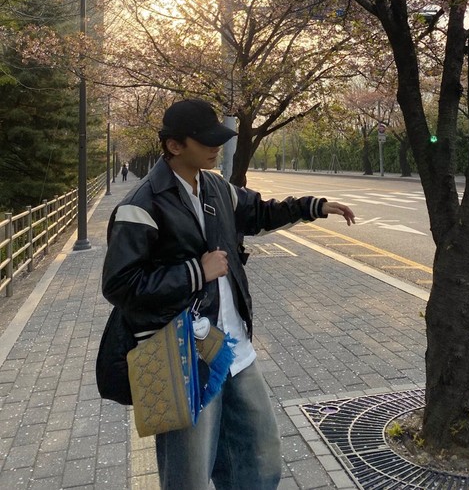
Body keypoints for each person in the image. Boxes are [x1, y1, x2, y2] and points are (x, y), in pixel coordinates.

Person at [102, 98, 355, 490]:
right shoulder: (140, 205)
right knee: (189, 473)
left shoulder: (217, 188)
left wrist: (313, 206)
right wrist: (194, 272)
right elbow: (120, 285)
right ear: (175, 146)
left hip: (235, 347)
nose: (216, 147)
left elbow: (260, 213)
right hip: (181, 353)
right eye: (206, 140)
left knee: (259, 456)